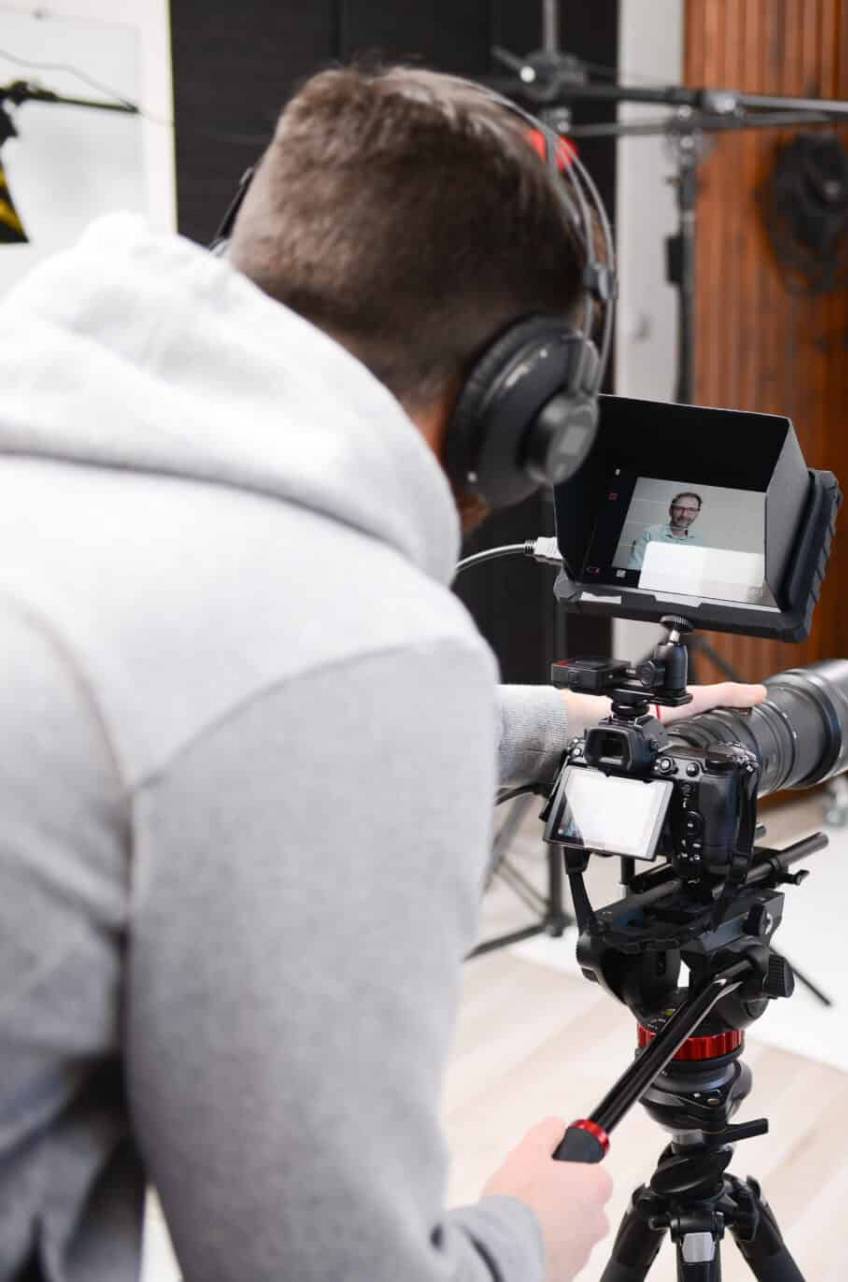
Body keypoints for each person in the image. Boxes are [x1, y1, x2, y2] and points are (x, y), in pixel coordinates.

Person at [0, 66, 762, 1281]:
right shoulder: (343, 644)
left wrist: (574, 719)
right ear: (532, 409)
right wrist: (524, 1233)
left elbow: (218, 713)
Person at [622, 490, 706, 568]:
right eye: (679, 508)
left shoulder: (699, 541)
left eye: (691, 510)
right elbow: (635, 568)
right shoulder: (650, 534)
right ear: (670, 510)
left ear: (697, 513)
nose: (684, 515)